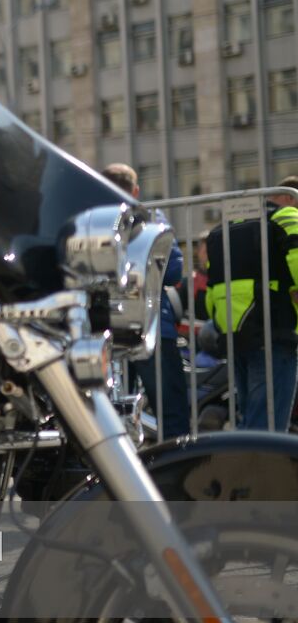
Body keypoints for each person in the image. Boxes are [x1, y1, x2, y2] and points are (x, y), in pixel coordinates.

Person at [100, 164, 190, 439]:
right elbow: (173, 270)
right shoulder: (151, 218)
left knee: (113, 412)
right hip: (151, 325)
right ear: (136, 190)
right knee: (171, 409)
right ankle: (177, 470)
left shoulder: (92, 221)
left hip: (106, 327)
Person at [204, 180, 298, 431]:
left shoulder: (222, 230)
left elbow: (210, 292)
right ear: (289, 198)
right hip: (273, 328)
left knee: (251, 415)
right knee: (267, 424)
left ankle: (248, 466)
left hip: (234, 333)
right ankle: (256, 470)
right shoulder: (288, 216)